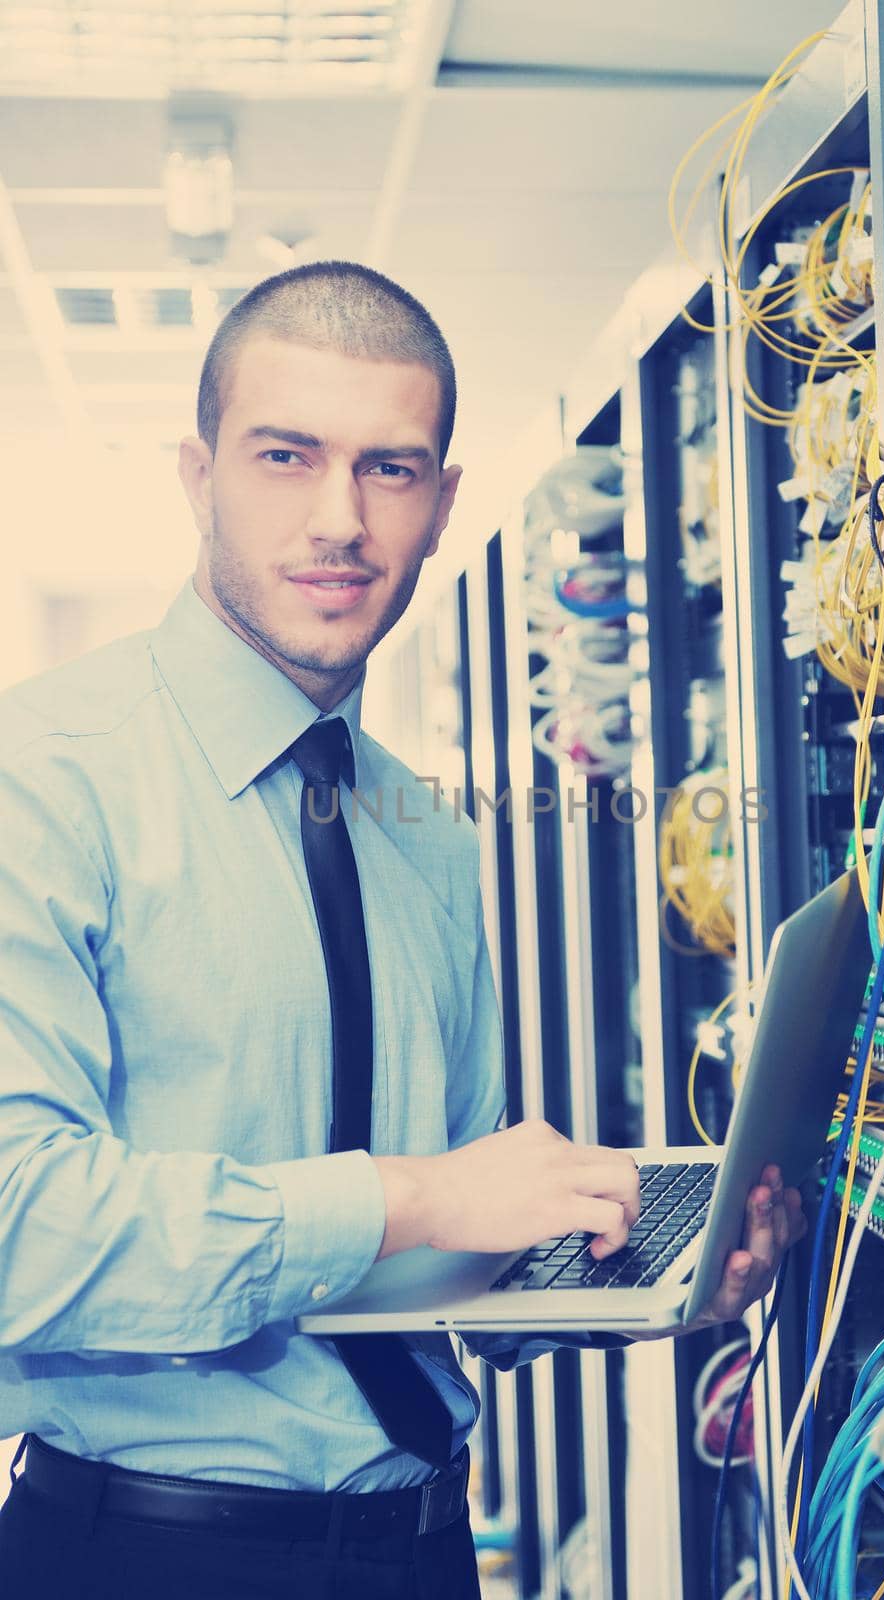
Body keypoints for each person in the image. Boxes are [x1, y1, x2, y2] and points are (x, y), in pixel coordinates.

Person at [0, 260, 805, 1599]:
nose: (340, 519)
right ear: (199, 479)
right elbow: (22, 1232)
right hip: (144, 1554)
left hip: (419, 1553)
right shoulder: (43, 776)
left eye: (390, 469)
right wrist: (419, 1193)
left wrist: (649, 1274)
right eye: (286, 456)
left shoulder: (421, 831)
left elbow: (453, 1269)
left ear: (442, 508)